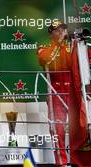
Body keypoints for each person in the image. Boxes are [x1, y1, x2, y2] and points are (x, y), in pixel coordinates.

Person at [37, 20, 71, 166]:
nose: (63, 32)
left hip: (74, 93)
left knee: (81, 128)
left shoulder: (73, 47)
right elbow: (46, 60)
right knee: (57, 129)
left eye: (64, 30)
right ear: (52, 34)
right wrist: (59, 44)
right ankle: (61, 162)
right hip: (56, 94)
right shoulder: (43, 49)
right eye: (59, 30)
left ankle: (80, 161)